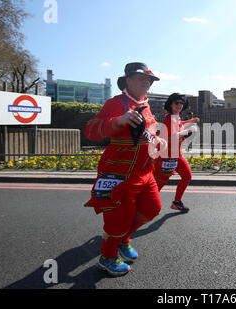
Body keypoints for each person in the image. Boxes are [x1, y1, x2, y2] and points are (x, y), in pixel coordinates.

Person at [83, 62, 166, 276]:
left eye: (149, 79)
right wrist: (118, 120)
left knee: (152, 209)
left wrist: (158, 140)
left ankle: (123, 240)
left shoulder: (145, 105)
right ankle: (107, 257)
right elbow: (91, 130)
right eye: (141, 78)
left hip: (144, 172)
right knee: (118, 219)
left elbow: (147, 133)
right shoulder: (115, 103)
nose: (146, 82)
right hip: (118, 173)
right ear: (127, 80)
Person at [153, 93, 199, 213]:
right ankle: (143, 203)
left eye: (181, 103)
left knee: (187, 176)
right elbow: (173, 136)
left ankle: (177, 202)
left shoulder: (175, 117)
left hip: (176, 155)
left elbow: (179, 125)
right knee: (158, 184)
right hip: (167, 156)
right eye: (176, 103)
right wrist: (188, 131)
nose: (179, 105)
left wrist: (191, 121)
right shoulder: (170, 118)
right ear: (171, 104)